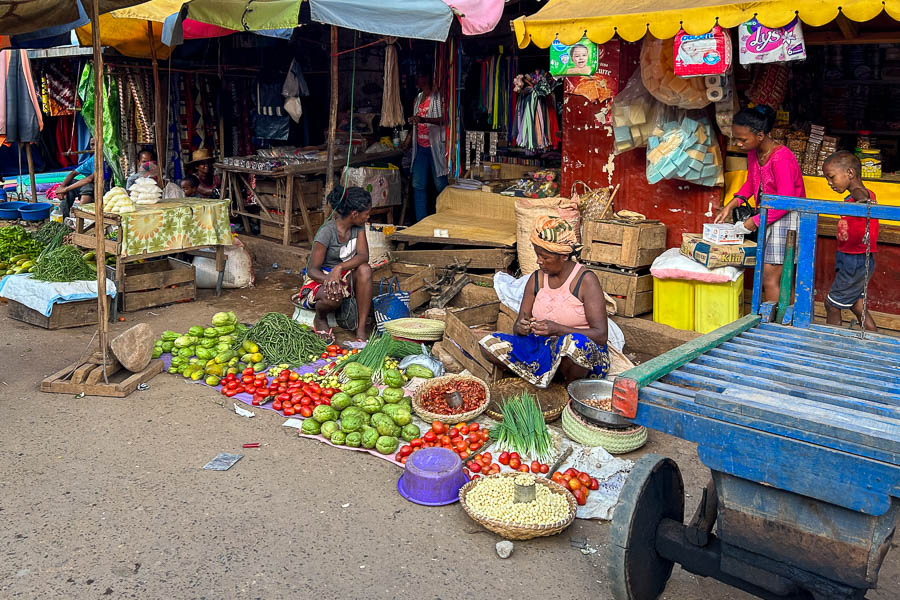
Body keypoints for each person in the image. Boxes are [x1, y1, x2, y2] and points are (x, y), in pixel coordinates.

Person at [479, 216, 610, 387]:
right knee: (489, 344)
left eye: (545, 257)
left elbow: (601, 335)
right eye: (537, 255)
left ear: (564, 256)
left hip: (580, 359)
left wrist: (558, 329)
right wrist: (522, 327)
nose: (538, 261)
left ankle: (569, 388)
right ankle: (548, 378)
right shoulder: (535, 279)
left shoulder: (586, 280)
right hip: (541, 349)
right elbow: (519, 324)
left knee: (574, 345)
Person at [714, 105, 805, 303]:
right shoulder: (753, 152)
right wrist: (732, 204)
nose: (738, 144)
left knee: (772, 277)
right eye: (736, 139)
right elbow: (751, 183)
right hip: (769, 214)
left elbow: (786, 200)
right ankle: (781, 321)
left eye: (742, 139)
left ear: (761, 135)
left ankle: (776, 324)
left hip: (786, 217)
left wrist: (755, 221)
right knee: (773, 276)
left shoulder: (781, 158)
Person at [299, 185, 373, 340]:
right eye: (366, 214)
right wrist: (330, 280)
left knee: (365, 269)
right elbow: (312, 270)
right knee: (333, 294)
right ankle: (320, 318)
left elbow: (363, 256)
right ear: (354, 214)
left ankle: (360, 328)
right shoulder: (327, 232)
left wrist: (339, 267)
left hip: (344, 274)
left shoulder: (358, 227)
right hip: (321, 278)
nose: (368, 217)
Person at [822, 151, 879, 332]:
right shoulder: (849, 198)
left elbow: (859, 191)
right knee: (856, 304)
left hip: (855, 259)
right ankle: (873, 335)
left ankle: (831, 344)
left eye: (831, 177)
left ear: (850, 174)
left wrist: (861, 198)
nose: (830, 183)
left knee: (832, 304)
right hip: (850, 257)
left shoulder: (861, 194)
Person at [402, 71, 448, 222]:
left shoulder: (438, 97)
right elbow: (415, 124)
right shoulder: (418, 99)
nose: (417, 79)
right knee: (418, 184)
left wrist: (423, 119)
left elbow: (444, 119)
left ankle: (445, 219)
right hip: (421, 148)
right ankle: (421, 221)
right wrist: (408, 140)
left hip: (435, 147)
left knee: (440, 185)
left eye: (420, 76)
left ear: (427, 78)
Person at [57, 138, 98, 217]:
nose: (94, 148)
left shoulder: (104, 159)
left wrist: (66, 189)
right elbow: (73, 173)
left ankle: (80, 217)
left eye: (96, 144)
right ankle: (62, 216)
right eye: (92, 145)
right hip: (91, 187)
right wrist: (62, 187)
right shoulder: (92, 159)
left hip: (101, 189)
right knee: (70, 183)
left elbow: (90, 178)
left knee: (87, 186)